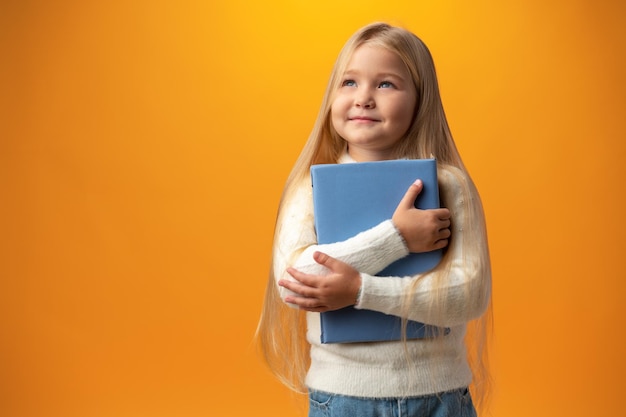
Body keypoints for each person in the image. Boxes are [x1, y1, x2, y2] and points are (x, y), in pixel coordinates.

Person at [257, 22, 492, 417]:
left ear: (421, 101)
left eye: (386, 84)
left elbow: (469, 294)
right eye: (349, 82)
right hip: (342, 399)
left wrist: (361, 291)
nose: (364, 98)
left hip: (440, 399)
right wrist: (397, 237)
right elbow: (294, 281)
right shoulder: (307, 188)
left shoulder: (451, 185)